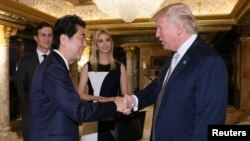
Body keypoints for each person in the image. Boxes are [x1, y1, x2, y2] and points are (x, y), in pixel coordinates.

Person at [126, 3, 228, 141]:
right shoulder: (173, 57)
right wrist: (134, 100)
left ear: (179, 28)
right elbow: (160, 88)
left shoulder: (209, 61)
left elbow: (208, 122)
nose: (156, 34)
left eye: (160, 28)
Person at [28, 15, 128, 141]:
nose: (85, 44)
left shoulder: (56, 65)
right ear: (64, 40)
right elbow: (79, 110)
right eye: (82, 38)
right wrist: (114, 105)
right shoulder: (53, 69)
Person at [77, 28, 129, 141]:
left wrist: (115, 100)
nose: (105, 44)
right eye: (100, 41)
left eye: (107, 40)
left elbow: (125, 96)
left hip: (111, 115)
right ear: (95, 45)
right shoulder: (87, 67)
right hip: (92, 115)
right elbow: (80, 94)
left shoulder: (120, 67)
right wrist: (97, 98)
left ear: (111, 43)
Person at [16, 21, 53, 141]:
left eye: (49, 35)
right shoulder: (25, 61)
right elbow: (21, 90)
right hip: (33, 118)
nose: (47, 38)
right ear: (36, 38)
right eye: (43, 35)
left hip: (55, 119)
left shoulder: (59, 60)